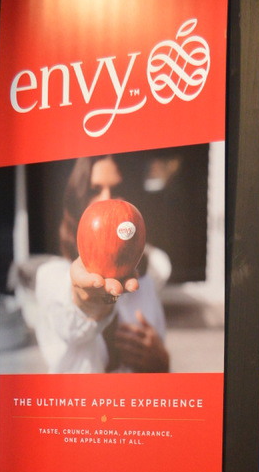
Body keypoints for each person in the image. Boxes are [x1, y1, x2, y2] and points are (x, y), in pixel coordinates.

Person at [35, 155, 170, 374]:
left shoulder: (144, 282)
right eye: (94, 190)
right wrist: (88, 301)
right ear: (77, 201)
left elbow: (160, 356)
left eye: (116, 190)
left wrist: (161, 362)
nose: (106, 199)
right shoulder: (51, 276)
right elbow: (70, 328)